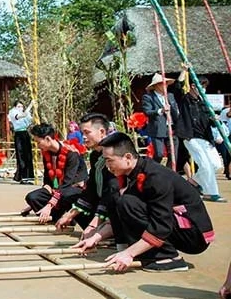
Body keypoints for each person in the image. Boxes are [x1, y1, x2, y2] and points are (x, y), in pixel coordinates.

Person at [74, 132, 215, 272]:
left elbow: (162, 224)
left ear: (128, 157)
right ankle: (134, 249)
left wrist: (129, 254)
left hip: (193, 235)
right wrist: (95, 238)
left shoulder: (156, 177)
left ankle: (168, 258)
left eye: (109, 160)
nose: (107, 165)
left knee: (127, 202)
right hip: (171, 224)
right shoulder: (132, 172)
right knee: (117, 198)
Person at [55, 113, 118, 234]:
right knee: (70, 195)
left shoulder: (115, 154)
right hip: (102, 199)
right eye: (82, 133)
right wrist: (69, 215)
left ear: (102, 131)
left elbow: (112, 189)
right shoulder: (95, 155)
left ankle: (106, 231)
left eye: (87, 133)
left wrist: (95, 223)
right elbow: (92, 186)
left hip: (116, 202)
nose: (83, 137)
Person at [172, 72, 225, 202]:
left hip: (206, 138)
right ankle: (211, 193)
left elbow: (210, 122)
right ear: (193, 86)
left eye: (205, 87)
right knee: (205, 165)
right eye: (201, 86)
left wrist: (215, 119)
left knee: (216, 165)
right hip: (191, 137)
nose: (204, 89)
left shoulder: (204, 103)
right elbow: (176, 89)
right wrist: (184, 72)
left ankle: (193, 182)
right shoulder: (185, 99)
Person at [21, 123, 88, 226]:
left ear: (48, 139)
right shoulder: (46, 153)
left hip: (73, 189)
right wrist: (31, 205)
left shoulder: (71, 153)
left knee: (66, 194)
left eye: (38, 142)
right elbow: (48, 181)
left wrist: (49, 205)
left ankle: (69, 217)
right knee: (32, 197)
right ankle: (54, 216)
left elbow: (67, 184)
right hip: (58, 189)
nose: (38, 145)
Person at [141, 73, 179, 166]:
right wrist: (160, 111)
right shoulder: (148, 97)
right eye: (163, 83)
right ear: (156, 85)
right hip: (157, 129)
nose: (165, 85)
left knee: (173, 155)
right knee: (159, 154)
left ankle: (168, 174)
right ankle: (152, 168)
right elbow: (147, 111)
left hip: (171, 127)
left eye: (166, 83)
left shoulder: (170, 96)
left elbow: (175, 109)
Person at [8, 100, 35, 183]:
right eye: (18, 106)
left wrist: (34, 111)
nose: (21, 108)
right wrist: (30, 105)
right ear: (15, 107)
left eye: (22, 106)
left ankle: (28, 176)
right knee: (21, 155)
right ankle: (23, 176)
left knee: (28, 155)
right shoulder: (13, 112)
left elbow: (30, 119)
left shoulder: (25, 112)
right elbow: (20, 116)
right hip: (18, 134)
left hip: (25, 133)